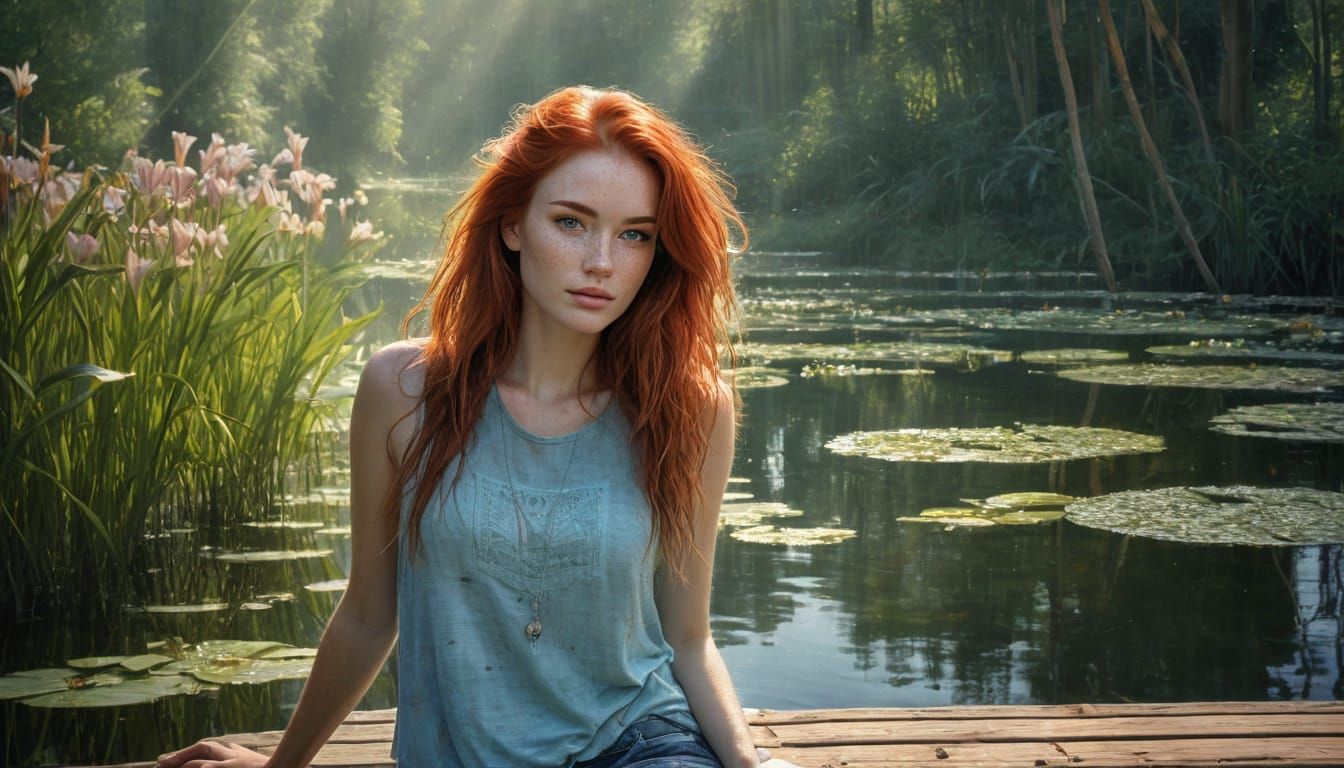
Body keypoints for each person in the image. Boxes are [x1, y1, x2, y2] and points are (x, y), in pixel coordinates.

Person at [156, 86, 799, 768]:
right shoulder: (402, 394)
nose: (603, 262)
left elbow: (688, 638)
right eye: (572, 223)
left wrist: (750, 765)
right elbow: (370, 616)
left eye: (635, 234)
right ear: (513, 225)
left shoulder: (691, 407)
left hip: (639, 746)